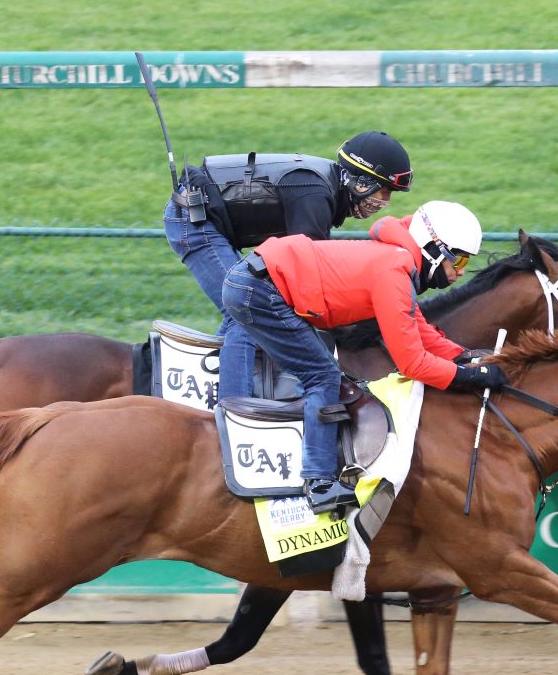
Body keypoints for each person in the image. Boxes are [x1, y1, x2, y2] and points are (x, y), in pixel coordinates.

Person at [220, 200, 509, 515]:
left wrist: (464, 357)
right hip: (260, 290)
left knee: (323, 373)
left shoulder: (399, 262)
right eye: (460, 259)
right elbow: (412, 364)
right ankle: (318, 484)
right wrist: (469, 378)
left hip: (257, 282)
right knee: (323, 377)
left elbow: (418, 328)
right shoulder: (394, 271)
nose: (462, 271)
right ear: (434, 250)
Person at [164, 131, 414, 398]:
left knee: (248, 305)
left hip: (207, 217)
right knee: (244, 309)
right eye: (384, 191)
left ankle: (211, 380)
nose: (384, 203)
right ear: (360, 181)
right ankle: (232, 410)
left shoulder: (323, 189)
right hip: (194, 221)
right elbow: (308, 281)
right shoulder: (315, 196)